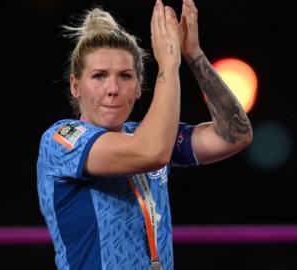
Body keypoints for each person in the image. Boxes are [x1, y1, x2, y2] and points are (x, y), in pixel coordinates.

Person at [36, 0, 253, 269]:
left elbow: (234, 135)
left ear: (139, 87)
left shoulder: (144, 134)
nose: (113, 88)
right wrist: (169, 67)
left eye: (125, 76)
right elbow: (152, 152)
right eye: (99, 76)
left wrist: (193, 55)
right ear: (75, 86)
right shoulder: (61, 140)